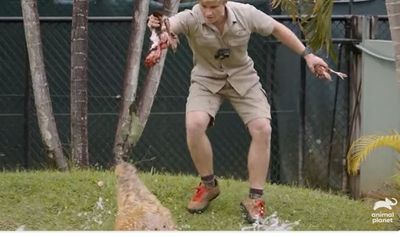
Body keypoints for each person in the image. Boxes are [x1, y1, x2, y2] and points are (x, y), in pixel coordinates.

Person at [147, 0, 330, 223]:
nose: (207, 12)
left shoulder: (246, 13)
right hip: (206, 79)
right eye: (204, 6)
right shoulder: (192, 16)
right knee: (194, 124)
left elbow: (277, 29)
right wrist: (158, 25)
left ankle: (255, 198)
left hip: (243, 77)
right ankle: (208, 186)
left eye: (213, 7)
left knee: (262, 128)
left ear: (224, 3)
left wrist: (308, 56)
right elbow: (167, 25)